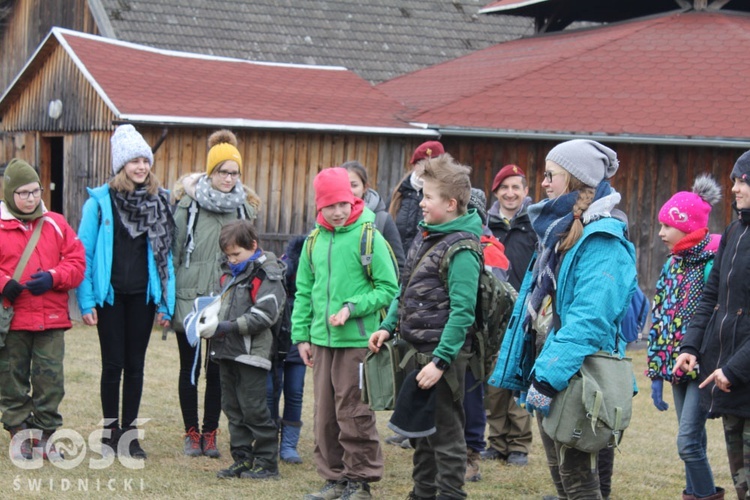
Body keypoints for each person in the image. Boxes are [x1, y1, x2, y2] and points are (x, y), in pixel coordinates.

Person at [492, 139, 637, 499]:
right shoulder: (560, 234)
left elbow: (589, 321)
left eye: (550, 175)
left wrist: (547, 378)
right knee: (565, 483)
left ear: (574, 179)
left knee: (581, 486)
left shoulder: (602, 242)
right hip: (554, 373)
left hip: (582, 383)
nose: (543, 183)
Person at [370, 154, 482, 500]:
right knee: (420, 432)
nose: (421, 202)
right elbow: (405, 290)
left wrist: (440, 362)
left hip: (440, 360)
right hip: (416, 353)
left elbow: (462, 313)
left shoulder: (462, 248)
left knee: (447, 439)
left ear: (450, 204)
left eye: (428, 197)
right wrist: (388, 326)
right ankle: (421, 494)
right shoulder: (428, 235)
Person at [292, 167, 399, 500]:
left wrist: (353, 307)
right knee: (324, 415)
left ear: (354, 199)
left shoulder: (369, 236)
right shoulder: (313, 241)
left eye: (343, 203)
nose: (338, 212)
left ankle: (360, 480)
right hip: (322, 343)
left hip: (357, 341)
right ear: (318, 208)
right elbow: (302, 292)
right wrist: (302, 336)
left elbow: (389, 288)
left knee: (353, 411)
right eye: (330, 206)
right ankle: (333, 478)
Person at [77, 124, 176, 460]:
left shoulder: (159, 201)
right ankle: (109, 434)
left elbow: (166, 257)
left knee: (136, 366)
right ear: (121, 164)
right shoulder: (100, 203)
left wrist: (166, 302)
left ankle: (130, 438)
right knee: (112, 365)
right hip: (110, 297)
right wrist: (86, 300)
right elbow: (84, 254)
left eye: (144, 160)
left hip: (142, 298)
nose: (141, 166)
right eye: (134, 160)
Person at [171, 129, 260, 458]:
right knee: (190, 367)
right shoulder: (187, 206)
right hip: (190, 297)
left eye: (234, 172)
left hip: (227, 298)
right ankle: (191, 431)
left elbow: (251, 255)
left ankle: (211, 433)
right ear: (211, 172)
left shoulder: (244, 209)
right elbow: (175, 254)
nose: (229, 178)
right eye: (223, 171)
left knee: (219, 368)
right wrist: (169, 304)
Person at [675, 150, 750, 500]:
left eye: (742, 180)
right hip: (731, 381)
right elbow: (710, 299)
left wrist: (733, 369)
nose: (734, 188)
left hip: (738, 372)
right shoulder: (734, 232)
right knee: (742, 482)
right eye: (735, 180)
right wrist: (690, 347)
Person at [0, 158, 85, 461]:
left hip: (51, 317)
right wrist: (3, 282)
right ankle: (21, 435)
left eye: (35, 191)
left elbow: (76, 263)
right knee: (12, 378)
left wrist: (53, 276)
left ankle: (47, 437)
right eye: (23, 193)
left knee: (51, 381)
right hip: (13, 318)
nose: (31, 198)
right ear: (10, 193)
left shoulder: (56, 223)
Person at [648, 174, 724, 500]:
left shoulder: (713, 264)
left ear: (688, 226)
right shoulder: (673, 265)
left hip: (704, 364)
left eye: (667, 225)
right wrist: (656, 371)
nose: (661, 232)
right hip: (677, 366)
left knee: (687, 443)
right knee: (693, 441)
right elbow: (661, 318)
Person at [198, 220, 285, 480]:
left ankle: (267, 462)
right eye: (228, 255)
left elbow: (265, 315)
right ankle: (242, 459)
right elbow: (218, 304)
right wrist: (205, 319)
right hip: (226, 352)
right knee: (232, 408)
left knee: (254, 409)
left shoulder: (267, 273)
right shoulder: (227, 273)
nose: (232, 259)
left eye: (236, 254)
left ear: (253, 246)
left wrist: (226, 326)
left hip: (251, 354)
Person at [384, 140, 445, 449]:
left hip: (431, 279)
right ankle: (406, 425)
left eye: (431, 166)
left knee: (426, 364)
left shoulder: (445, 203)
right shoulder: (403, 195)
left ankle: (422, 430)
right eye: (422, 165)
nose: (425, 170)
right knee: (406, 361)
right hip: (408, 273)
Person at [482, 164, 535, 466]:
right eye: (504, 187)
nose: (510, 193)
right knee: (494, 379)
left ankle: (519, 444)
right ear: (496, 192)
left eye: (516, 187)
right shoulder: (488, 225)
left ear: (526, 192)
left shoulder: (535, 222)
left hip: (524, 312)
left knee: (518, 377)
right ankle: (497, 440)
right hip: (495, 312)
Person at [463, 187, 510, 483]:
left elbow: (497, 297)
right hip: (449, 335)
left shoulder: (489, 250)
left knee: (472, 398)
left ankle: (471, 455)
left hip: (477, 339)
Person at [266, 235, 306, 464]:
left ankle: (289, 445)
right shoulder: (285, 268)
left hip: (301, 342)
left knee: (295, 392)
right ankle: (269, 440)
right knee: (272, 391)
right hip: (278, 340)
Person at [342, 160, 405, 273]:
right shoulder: (329, 219)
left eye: (354, 185)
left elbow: (398, 265)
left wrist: (382, 290)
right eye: (344, 185)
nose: (349, 191)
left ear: (365, 187)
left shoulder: (382, 220)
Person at [388, 140, 445, 254]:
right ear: (415, 166)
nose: (429, 169)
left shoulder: (446, 196)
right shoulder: (399, 193)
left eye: (434, 164)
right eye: (423, 163)